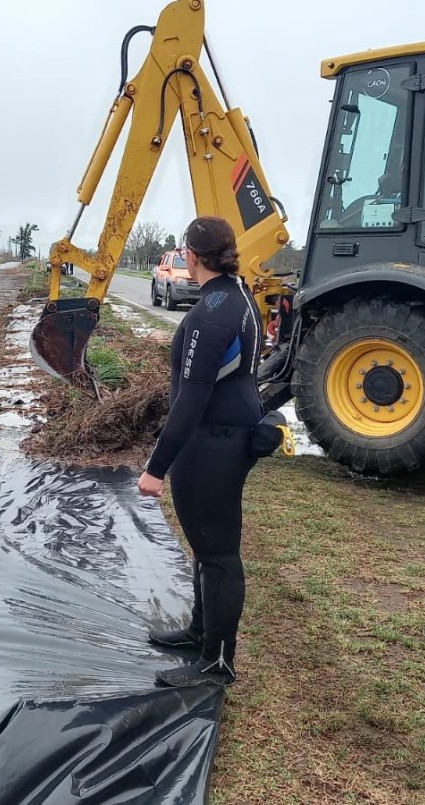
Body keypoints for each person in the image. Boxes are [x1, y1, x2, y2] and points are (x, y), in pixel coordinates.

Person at [137, 216, 264, 688]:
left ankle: (217, 663)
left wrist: (156, 468)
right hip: (225, 437)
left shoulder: (212, 312)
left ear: (191, 256)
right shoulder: (237, 294)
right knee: (206, 549)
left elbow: (191, 398)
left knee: (218, 555)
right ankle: (200, 633)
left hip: (212, 442)